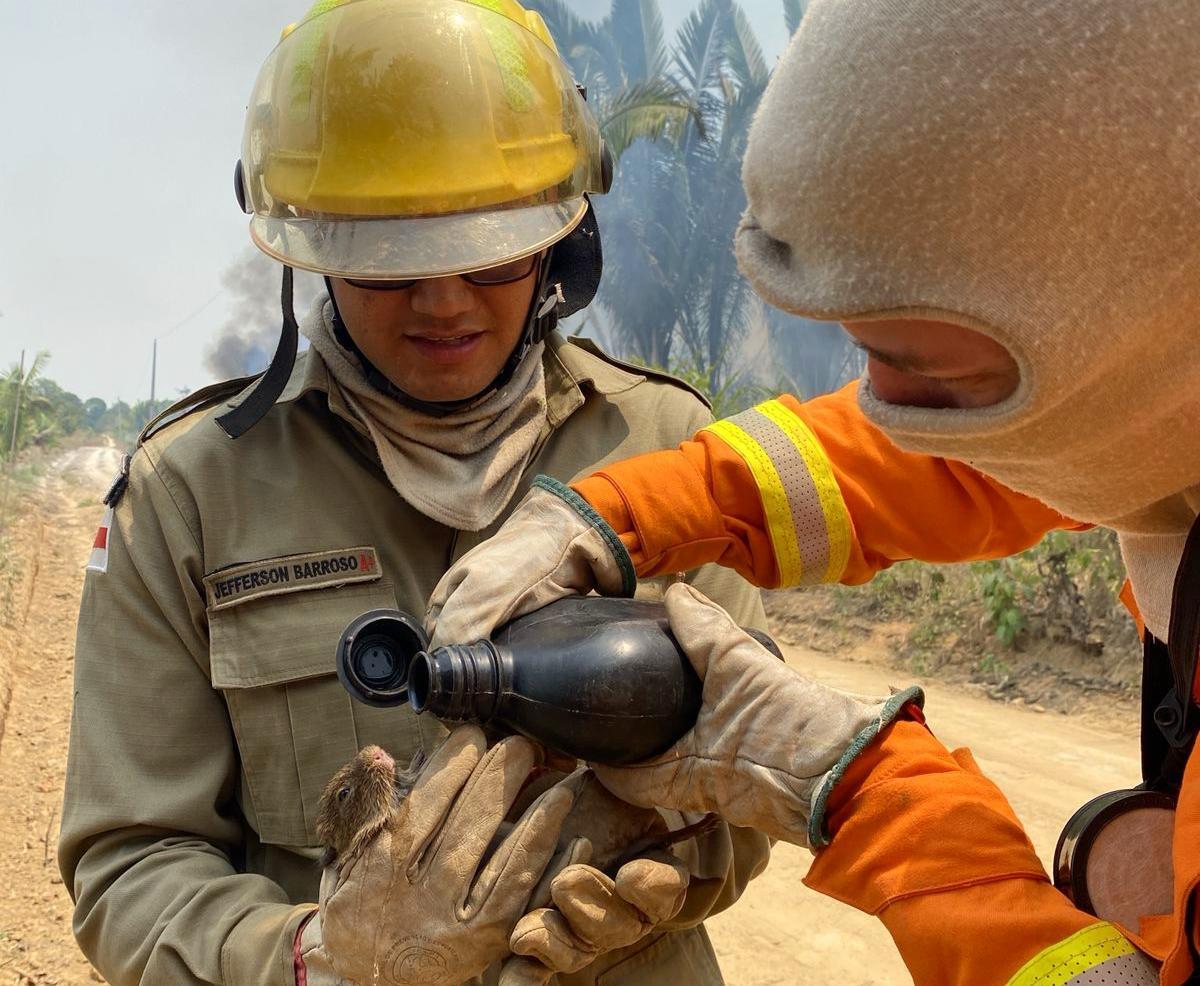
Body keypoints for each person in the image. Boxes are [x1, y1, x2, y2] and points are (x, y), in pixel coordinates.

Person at [427, 1, 1200, 983]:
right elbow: (956, 453)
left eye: (919, 363)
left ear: (1130, 315)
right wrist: (609, 516)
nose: (885, 404)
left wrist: (858, 781)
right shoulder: (1147, 383)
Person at [57, 2, 771, 983]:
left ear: (563, 230)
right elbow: (131, 862)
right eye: (390, 253)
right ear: (307, 239)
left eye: (487, 245)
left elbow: (745, 793)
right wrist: (318, 958)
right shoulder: (187, 495)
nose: (443, 298)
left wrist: (638, 858)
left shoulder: (669, 451)